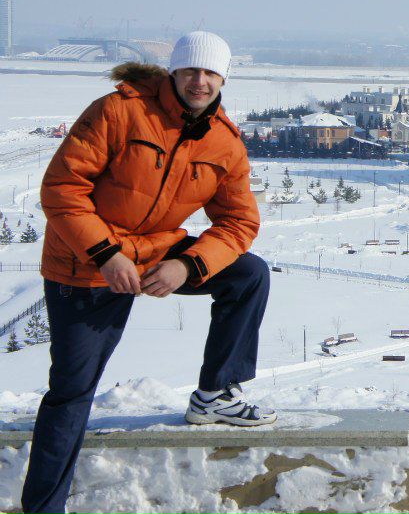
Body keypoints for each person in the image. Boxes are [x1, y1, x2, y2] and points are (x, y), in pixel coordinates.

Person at [22, 32, 272, 514]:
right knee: (71, 393)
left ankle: (216, 393)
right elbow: (61, 189)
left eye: (210, 73)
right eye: (190, 71)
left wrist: (187, 264)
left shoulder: (224, 141)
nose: (200, 81)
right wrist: (105, 254)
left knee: (249, 274)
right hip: (85, 263)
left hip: (157, 253)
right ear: (173, 72)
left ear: (224, 78)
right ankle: (45, 508)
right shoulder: (119, 111)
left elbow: (240, 222)